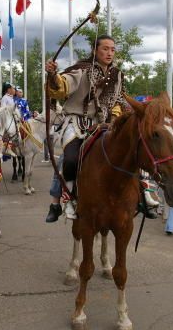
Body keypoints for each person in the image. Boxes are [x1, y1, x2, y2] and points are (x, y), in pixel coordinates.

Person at [44, 35, 125, 222]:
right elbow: (63, 86)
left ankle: (140, 194)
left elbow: (118, 101)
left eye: (112, 49)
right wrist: (53, 75)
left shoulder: (118, 75)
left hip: (104, 125)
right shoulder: (82, 69)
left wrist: (115, 119)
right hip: (77, 122)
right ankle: (65, 200)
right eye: (105, 48)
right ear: (95, 50)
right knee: (70, 159)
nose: (109, 53)